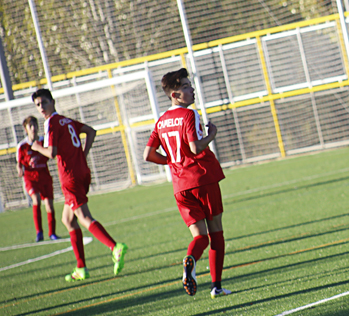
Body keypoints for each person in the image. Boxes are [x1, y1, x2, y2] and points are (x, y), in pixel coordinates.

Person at [143, 68, 231, 298]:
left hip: (180, 186)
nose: (191, 89)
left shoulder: (161, 122)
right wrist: (212, 134)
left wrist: (172, 162)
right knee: (216, 233)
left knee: (199, 237)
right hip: (203, 178)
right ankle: (217, 286)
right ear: (174, 94)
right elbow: (195, 147)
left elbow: (148, 154)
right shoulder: (189, 114)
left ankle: (190, 260)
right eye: (185, 87)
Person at [30, 89, 127, 281]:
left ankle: (114, 247)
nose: (41, 107)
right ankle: (81, 268)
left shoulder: (51, 122)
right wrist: (83, 154)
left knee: (83, 216)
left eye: (44, 103)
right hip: (82, 171)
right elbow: (91, 131)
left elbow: (52, 153)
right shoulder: (66, 120)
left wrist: (36, 146)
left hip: (70, 176)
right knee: (68, 219)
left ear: (52, 102)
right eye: (38, 105)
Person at [17, 115, 58, 242]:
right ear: (26, 129)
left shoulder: (43, 141)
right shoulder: (22, 146)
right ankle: (39, 232)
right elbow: (19, 163)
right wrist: (19, 169)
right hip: (30, 178)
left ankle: (52, 233)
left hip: (44, 176)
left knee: (49, 206)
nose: (33, 128)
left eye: (35, 125)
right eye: (30, 126)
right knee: (36, 200)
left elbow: (51, 154)